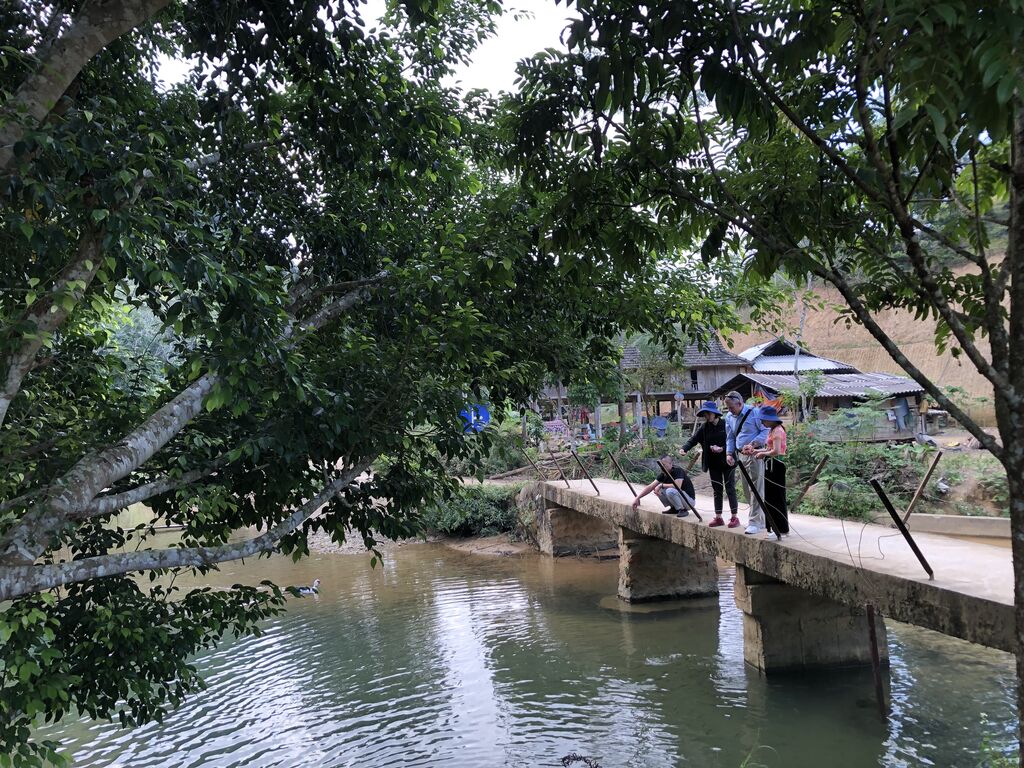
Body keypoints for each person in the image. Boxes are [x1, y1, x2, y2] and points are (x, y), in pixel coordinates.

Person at [680, 401, 739, 528]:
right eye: (705, 414)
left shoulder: (726, 425)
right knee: (717, 490)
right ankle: (718, 517)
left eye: (708, 413)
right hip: (713, 464)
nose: (706, 416)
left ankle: (734, 517)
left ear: (714, 414)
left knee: (730, 489)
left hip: (728, 462)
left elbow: (733, 441)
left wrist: (722, 449)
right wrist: (684, 448)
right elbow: (694, 440)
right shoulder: (705, 427)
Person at [724, 391, 769, 535]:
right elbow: (730, 436)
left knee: (756, 488)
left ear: (739, 403)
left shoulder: (754, 413)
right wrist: (729, 453)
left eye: (731, 407)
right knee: (746, 489)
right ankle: (760, 520)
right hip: (740, 455)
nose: (729, 410)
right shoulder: (729, 417)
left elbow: (766, 431)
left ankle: (754, 522)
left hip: (755, 454)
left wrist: (753, 444)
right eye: (728, 408)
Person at [754, 405, 789, 536]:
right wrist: (756, 451)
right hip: (771, 465)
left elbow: (776, 451)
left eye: (763, 420)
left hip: (777, 465)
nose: (762, 422)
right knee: (769, 497)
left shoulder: (778, 431)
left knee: (777, 498)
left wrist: (763, 454)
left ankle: (781, 528)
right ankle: (774, 527)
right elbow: (769, 449)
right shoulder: (772, 430)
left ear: (770, 419)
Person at [631, 454, 695, 517]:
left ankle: (682, 510)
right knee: (659, 489)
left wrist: (661, 485)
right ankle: (675, 508)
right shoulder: (663, 474)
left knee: (669, 490)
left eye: (664, 465)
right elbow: (650, 487)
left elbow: (677, 486)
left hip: (689, 502)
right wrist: (637, 498)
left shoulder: (678, 470)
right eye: (661, 466)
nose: (662, 468)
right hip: (682, 499)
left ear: (670, 464)